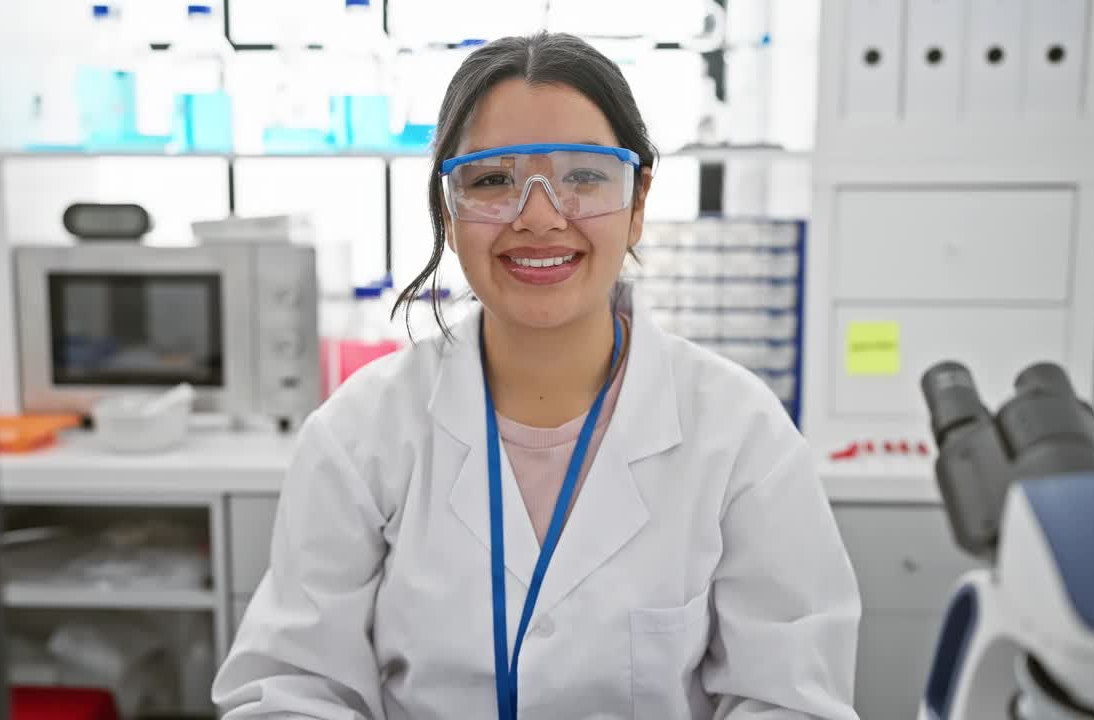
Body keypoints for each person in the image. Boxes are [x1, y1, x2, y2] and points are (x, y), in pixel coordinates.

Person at [214, 32, 860, 720]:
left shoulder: (740, 435)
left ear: (638, 200)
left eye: (584, 175)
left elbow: (790, 700)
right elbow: (290, 690)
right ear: (448, 209)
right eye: (494, 180)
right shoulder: (360, 434)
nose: (541, 217)